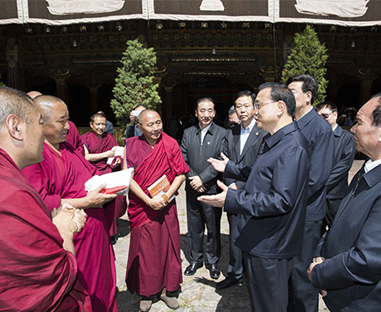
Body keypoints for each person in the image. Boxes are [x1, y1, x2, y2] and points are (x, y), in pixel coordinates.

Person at [198, 82, 310, 311]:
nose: (255, 110)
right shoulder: (275, 140)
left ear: (280, 107)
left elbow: (281, 200)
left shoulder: (292, 146)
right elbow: (262, 175)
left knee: (270, 305)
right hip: (263, 239)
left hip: (272, 244)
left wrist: (230, 200)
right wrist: (229, 167)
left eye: (259, 105)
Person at [22, 95, 119, 312]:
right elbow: (38, 201)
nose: (68, 127)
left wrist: (113, 183)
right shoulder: (34, 156)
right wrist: (86, 201)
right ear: (40, 122)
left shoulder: (68, 148)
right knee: (81, 289)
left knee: (102, 285)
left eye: (68, 120)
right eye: (61, 121)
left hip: (95, 233)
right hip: (71, 239)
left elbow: (92, 174)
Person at [0, 87, 91, 311]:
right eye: (39, 123)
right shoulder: (10, 194)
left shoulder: (9, 177)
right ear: (15, 127)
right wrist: (65, 230)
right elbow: (55, 274)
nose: (42, 131)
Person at [308, 93, 381, 311]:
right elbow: (338, 223)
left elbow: (369, 259)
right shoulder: (366, 171)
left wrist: (321, 273)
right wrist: (321, 254)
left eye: (358, 122)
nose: (352, 129)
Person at [124, 109, 189, 312]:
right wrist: (147, 200)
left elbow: (180, 174)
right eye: (150, 125)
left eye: (158, 123)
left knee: (167, 246)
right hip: (143, 206)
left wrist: (165, 196)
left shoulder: (170, 143)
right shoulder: (132, 145)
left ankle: (166, 289)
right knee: (145, 250)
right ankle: (147, 291)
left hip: (165, 204)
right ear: (140, 127)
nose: (156, 128)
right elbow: (129, 176)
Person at [287, 75, 334, 312]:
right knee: (288, 271)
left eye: (293, 92)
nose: (287, 96)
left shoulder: (320, 128)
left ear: (308, 96)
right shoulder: (289, 123)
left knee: (302, 274)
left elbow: (316, 178)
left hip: (305, 213)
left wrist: (282, 196)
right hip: (287, 210)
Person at [217, 90, 267, 290]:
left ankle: (253, 275)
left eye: (247, 106)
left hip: (255, 193)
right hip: (234, 193)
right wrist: (231, 185)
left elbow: (262, 166)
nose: (243, 110)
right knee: (235, 235)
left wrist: (241, 185)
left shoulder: (264, 133)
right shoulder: (231, 133)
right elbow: (225, 162)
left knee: (255, 234)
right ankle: (234, 272)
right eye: (239, 106)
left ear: (255, 107)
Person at [180, 97, 226, 280]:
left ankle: (213, 261)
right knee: (194, 226)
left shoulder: (222, 134)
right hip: (192, 188)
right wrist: (193, 178)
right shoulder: (188, 133)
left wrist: (203, 178)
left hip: (211, 188)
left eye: (210, 111)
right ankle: (196, 259)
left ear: (214, 113)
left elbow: (222, 159)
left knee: (213, 226)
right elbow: (182, 158)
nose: (206, 114)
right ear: (196, 113)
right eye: (202, 111)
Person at [79, 112, 122, 242]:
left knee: (110, 204)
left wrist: (116, 162)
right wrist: (106, 154)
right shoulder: (85, 138)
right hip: (92, 174)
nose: (100, 127)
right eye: (98, 124)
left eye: (103, 124)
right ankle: (97, 233)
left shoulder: (109, 137)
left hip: (107, 172)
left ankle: (110, 233)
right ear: (91, 125)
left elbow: (116, 155)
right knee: (96, 205)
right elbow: (86, 157)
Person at [316, 101, 356, 233]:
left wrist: (322, 184)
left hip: (335, 194)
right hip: (316, 195)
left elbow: (344, 165)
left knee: (336, 230)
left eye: (325, 116)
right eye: (319, 117)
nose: (322, 119)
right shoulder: (316, 137)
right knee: (315, 231)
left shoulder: (347, 138)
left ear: (335, 115)